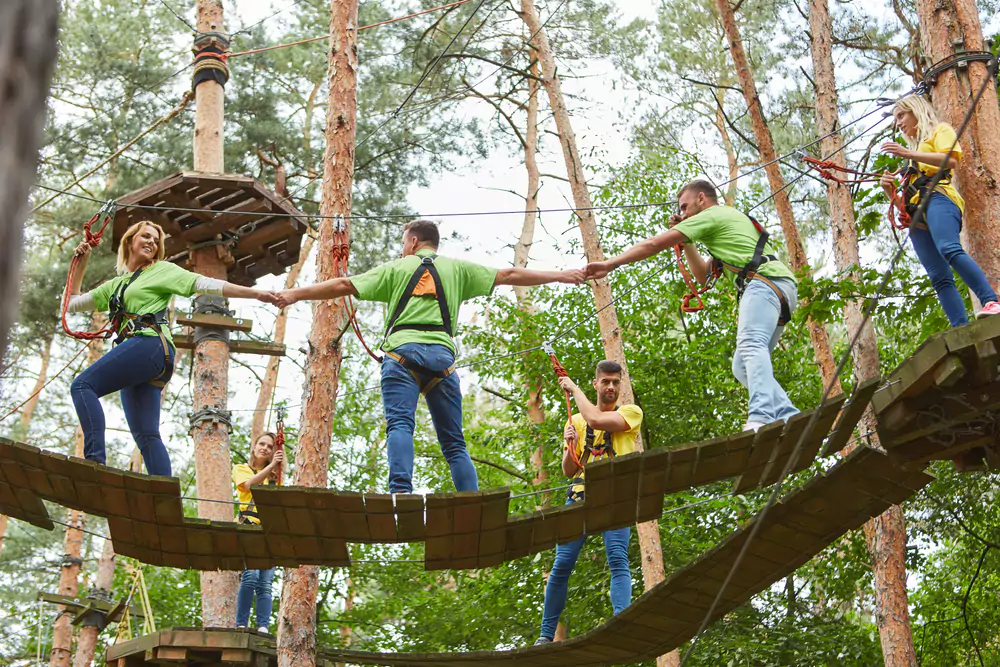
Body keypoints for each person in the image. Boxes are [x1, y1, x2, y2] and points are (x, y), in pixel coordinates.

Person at [274, 219, 584, 493]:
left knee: (400, 425)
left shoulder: (396, 267)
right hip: (442, 361)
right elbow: (509, 274)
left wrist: (293, 294)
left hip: (402, 356)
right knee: (454, 443)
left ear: (412, 241)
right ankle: (471, 501)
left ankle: (401, 493)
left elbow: (343, 284)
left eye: (403, 242)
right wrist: (560, 275)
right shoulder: (458, 269)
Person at [65, 220, 278, 476]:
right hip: (146, 356)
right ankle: (164, 499)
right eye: (145, 236)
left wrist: (254, 294)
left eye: (156, 241)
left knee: (82, 386)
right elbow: (72, 304)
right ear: (130, 240)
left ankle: (95, 463)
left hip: (149, 345)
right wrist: (81, 262)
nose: (152, 243)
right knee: (146, 435)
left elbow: (204, 283)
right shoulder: (115, 286)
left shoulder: (161, 270)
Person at [584, 180, 799, 432]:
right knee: (742, 366)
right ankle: (787, 414)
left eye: (685, 207)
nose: (683, 213)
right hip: (778, 287)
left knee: (751, 345)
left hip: (764, 284)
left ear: (701, 199)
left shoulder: (712, 214)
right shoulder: (725, 222)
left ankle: (761, 415)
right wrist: (688, 242)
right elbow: (701, 275)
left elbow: (653, 244)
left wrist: (611, 263)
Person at [534, 360, 641, 646]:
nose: (610, 387)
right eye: (605, 381)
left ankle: (621, 623)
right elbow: (569, 470)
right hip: (580, 494)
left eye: (616, 382)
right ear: (597, 384)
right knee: (562, 563)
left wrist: (573, 388)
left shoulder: (631, 413)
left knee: (617, 557)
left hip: (615, 496)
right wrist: (570, 444)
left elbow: (597, 421)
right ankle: (546, 634)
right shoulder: (576, 422)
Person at [880, 94, 1000, 326]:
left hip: (939, 198)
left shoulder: (939, 131)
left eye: (901, 115)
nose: (899, 123)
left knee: (949, 248)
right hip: (917, 216)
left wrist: (908, 154)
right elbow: (904, 208)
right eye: (896, 118)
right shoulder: (911, 157)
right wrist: (890, 193)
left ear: (916, 111)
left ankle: (990, 300)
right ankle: (960, 328)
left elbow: (951, 161)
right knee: (938, 277)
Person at [232, 432, 284, 633]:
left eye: (270, 447)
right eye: (262, 444)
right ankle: (241, 623)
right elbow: (248, 485)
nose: (265, 448)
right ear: (254, 447)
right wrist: (271, 467)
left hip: (268, 531)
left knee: (265, 583)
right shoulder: (241, 469)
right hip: (248, 526)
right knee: (251, 575)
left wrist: (274, 470)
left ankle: (263, 625)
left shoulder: (274, 479)